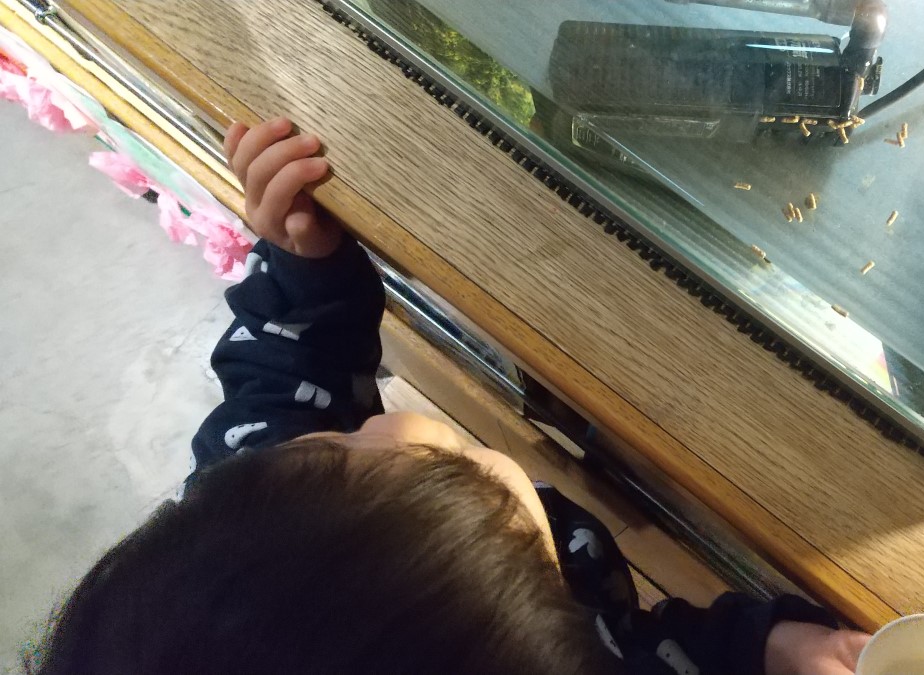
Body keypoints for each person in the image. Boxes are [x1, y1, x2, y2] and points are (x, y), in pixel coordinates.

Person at [25, 117, 870, 675]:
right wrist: (762, 647)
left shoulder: (248, 519)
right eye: (463, 478)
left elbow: (282, 384)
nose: (390, 424)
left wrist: (303, 271)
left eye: (332, 444)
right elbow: (658, 655)